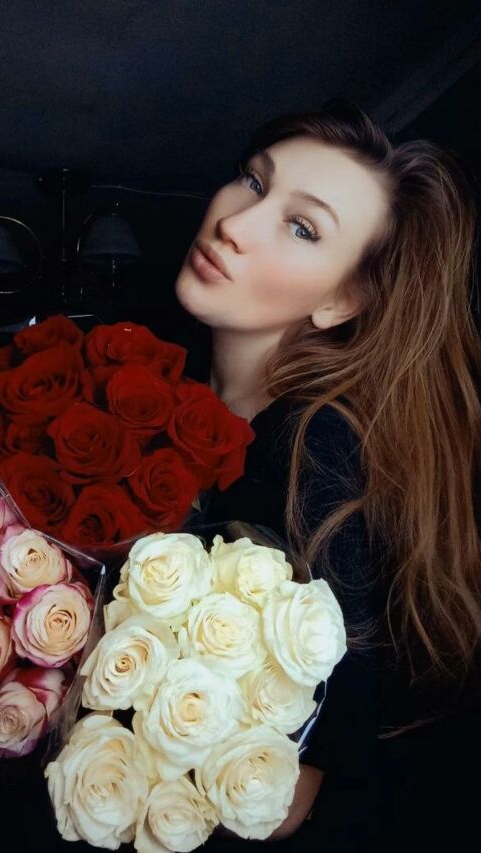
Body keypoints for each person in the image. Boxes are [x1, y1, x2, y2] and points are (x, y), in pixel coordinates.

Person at [174, 98, 481, 850]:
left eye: (302, 226)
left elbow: (296, 792)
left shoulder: (317, 448)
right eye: (253, 180)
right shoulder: (168, 403)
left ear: (343, 300)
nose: (236, 223)